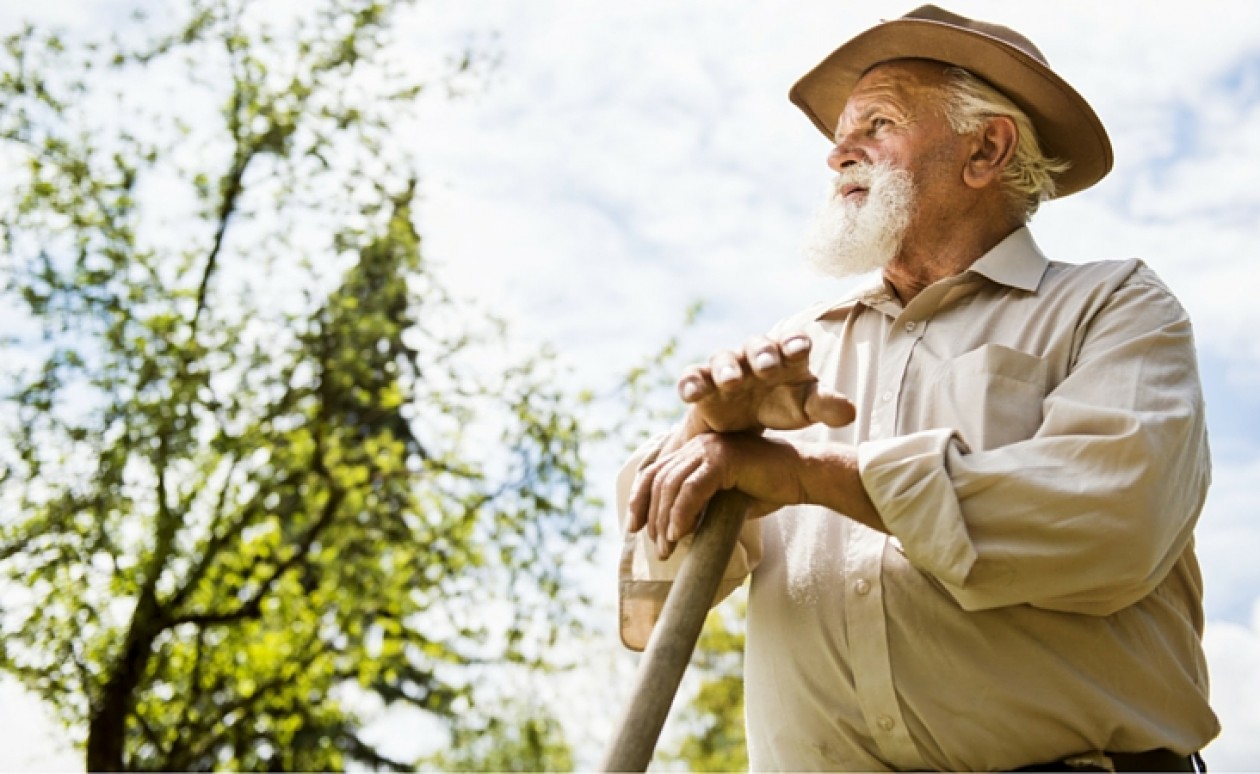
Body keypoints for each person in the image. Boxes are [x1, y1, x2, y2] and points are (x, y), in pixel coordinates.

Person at [616, 5, 1218, 772]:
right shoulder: (791, 355)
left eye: (878, 123)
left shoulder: (1113, 307)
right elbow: (649, 608)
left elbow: (1111, 519)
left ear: (985, 149)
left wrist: (807, 477)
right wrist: (704, 433)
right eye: (841, 131)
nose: (840, 153)